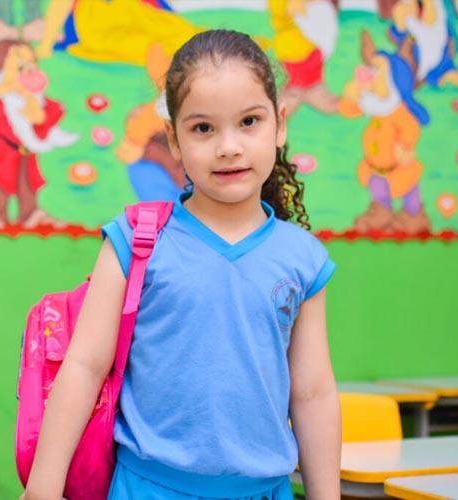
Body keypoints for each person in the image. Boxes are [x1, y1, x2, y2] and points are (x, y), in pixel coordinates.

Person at [22, 29, 341, 500]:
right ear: (173, 139)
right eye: (203, 128)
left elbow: (312, 393)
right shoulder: (135, 240)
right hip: (146, 489)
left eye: (249, 122)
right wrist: (44, 486)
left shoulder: (303, 258)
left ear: (280, 124)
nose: (228, 146)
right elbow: (85, 366)